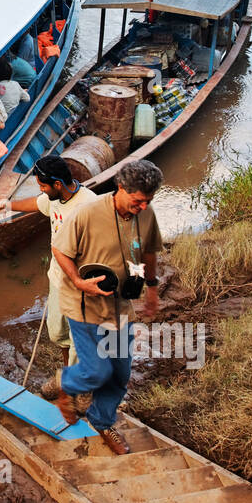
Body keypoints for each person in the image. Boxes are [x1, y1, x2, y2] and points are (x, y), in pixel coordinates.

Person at [41, 160, 164, 455]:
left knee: (120, 374)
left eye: (148, 201)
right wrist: (78, 282)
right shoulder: (87, 213)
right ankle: (65, 383)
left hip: (119, 306)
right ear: (121, 188)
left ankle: (102, 420)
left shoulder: (146, 215)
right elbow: (59, 248)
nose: (144, 207)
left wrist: (152, 288)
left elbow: (148, 253)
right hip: (84, 304)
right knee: (96, 371)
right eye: (138, 200)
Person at [0, 155, 97, 363]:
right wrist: (5, 205)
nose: (41, 190)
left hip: (81, 285)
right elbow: (36, 203)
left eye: (42, 186)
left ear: (57, 183)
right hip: (58, 279)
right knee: (57, 333)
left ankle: (73, 386)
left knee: (79, 340)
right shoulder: (54, 197)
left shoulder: (90, 205)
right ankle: (68, 371)